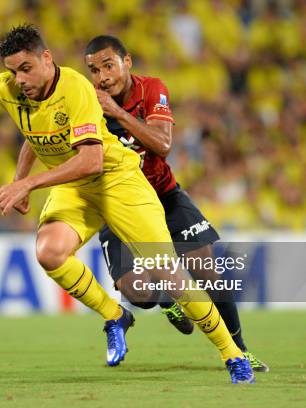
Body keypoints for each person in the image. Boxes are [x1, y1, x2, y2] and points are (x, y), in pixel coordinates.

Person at [0, 24, 255, 383]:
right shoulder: (11, 87)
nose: (19, 79)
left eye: (25, 68)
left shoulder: (76, 89)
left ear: (47, 58)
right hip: (74, 186)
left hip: (116, 179)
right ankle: (115, 316)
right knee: (49, 251)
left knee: (170, 273)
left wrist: (27, 183)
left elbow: (91, 160)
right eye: (12, 71)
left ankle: (232, 354)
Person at [83, 34, 268, 372]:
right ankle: (167, 298)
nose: (102, 77)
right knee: (140, 295)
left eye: (108, 65)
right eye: (94, 70)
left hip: (164, 195)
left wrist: (118, 115)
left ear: (127, 62)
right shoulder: (86, 105)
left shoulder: (152, 88)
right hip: (119, 206)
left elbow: (163, 144)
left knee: (208, 272)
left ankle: (239, 350)